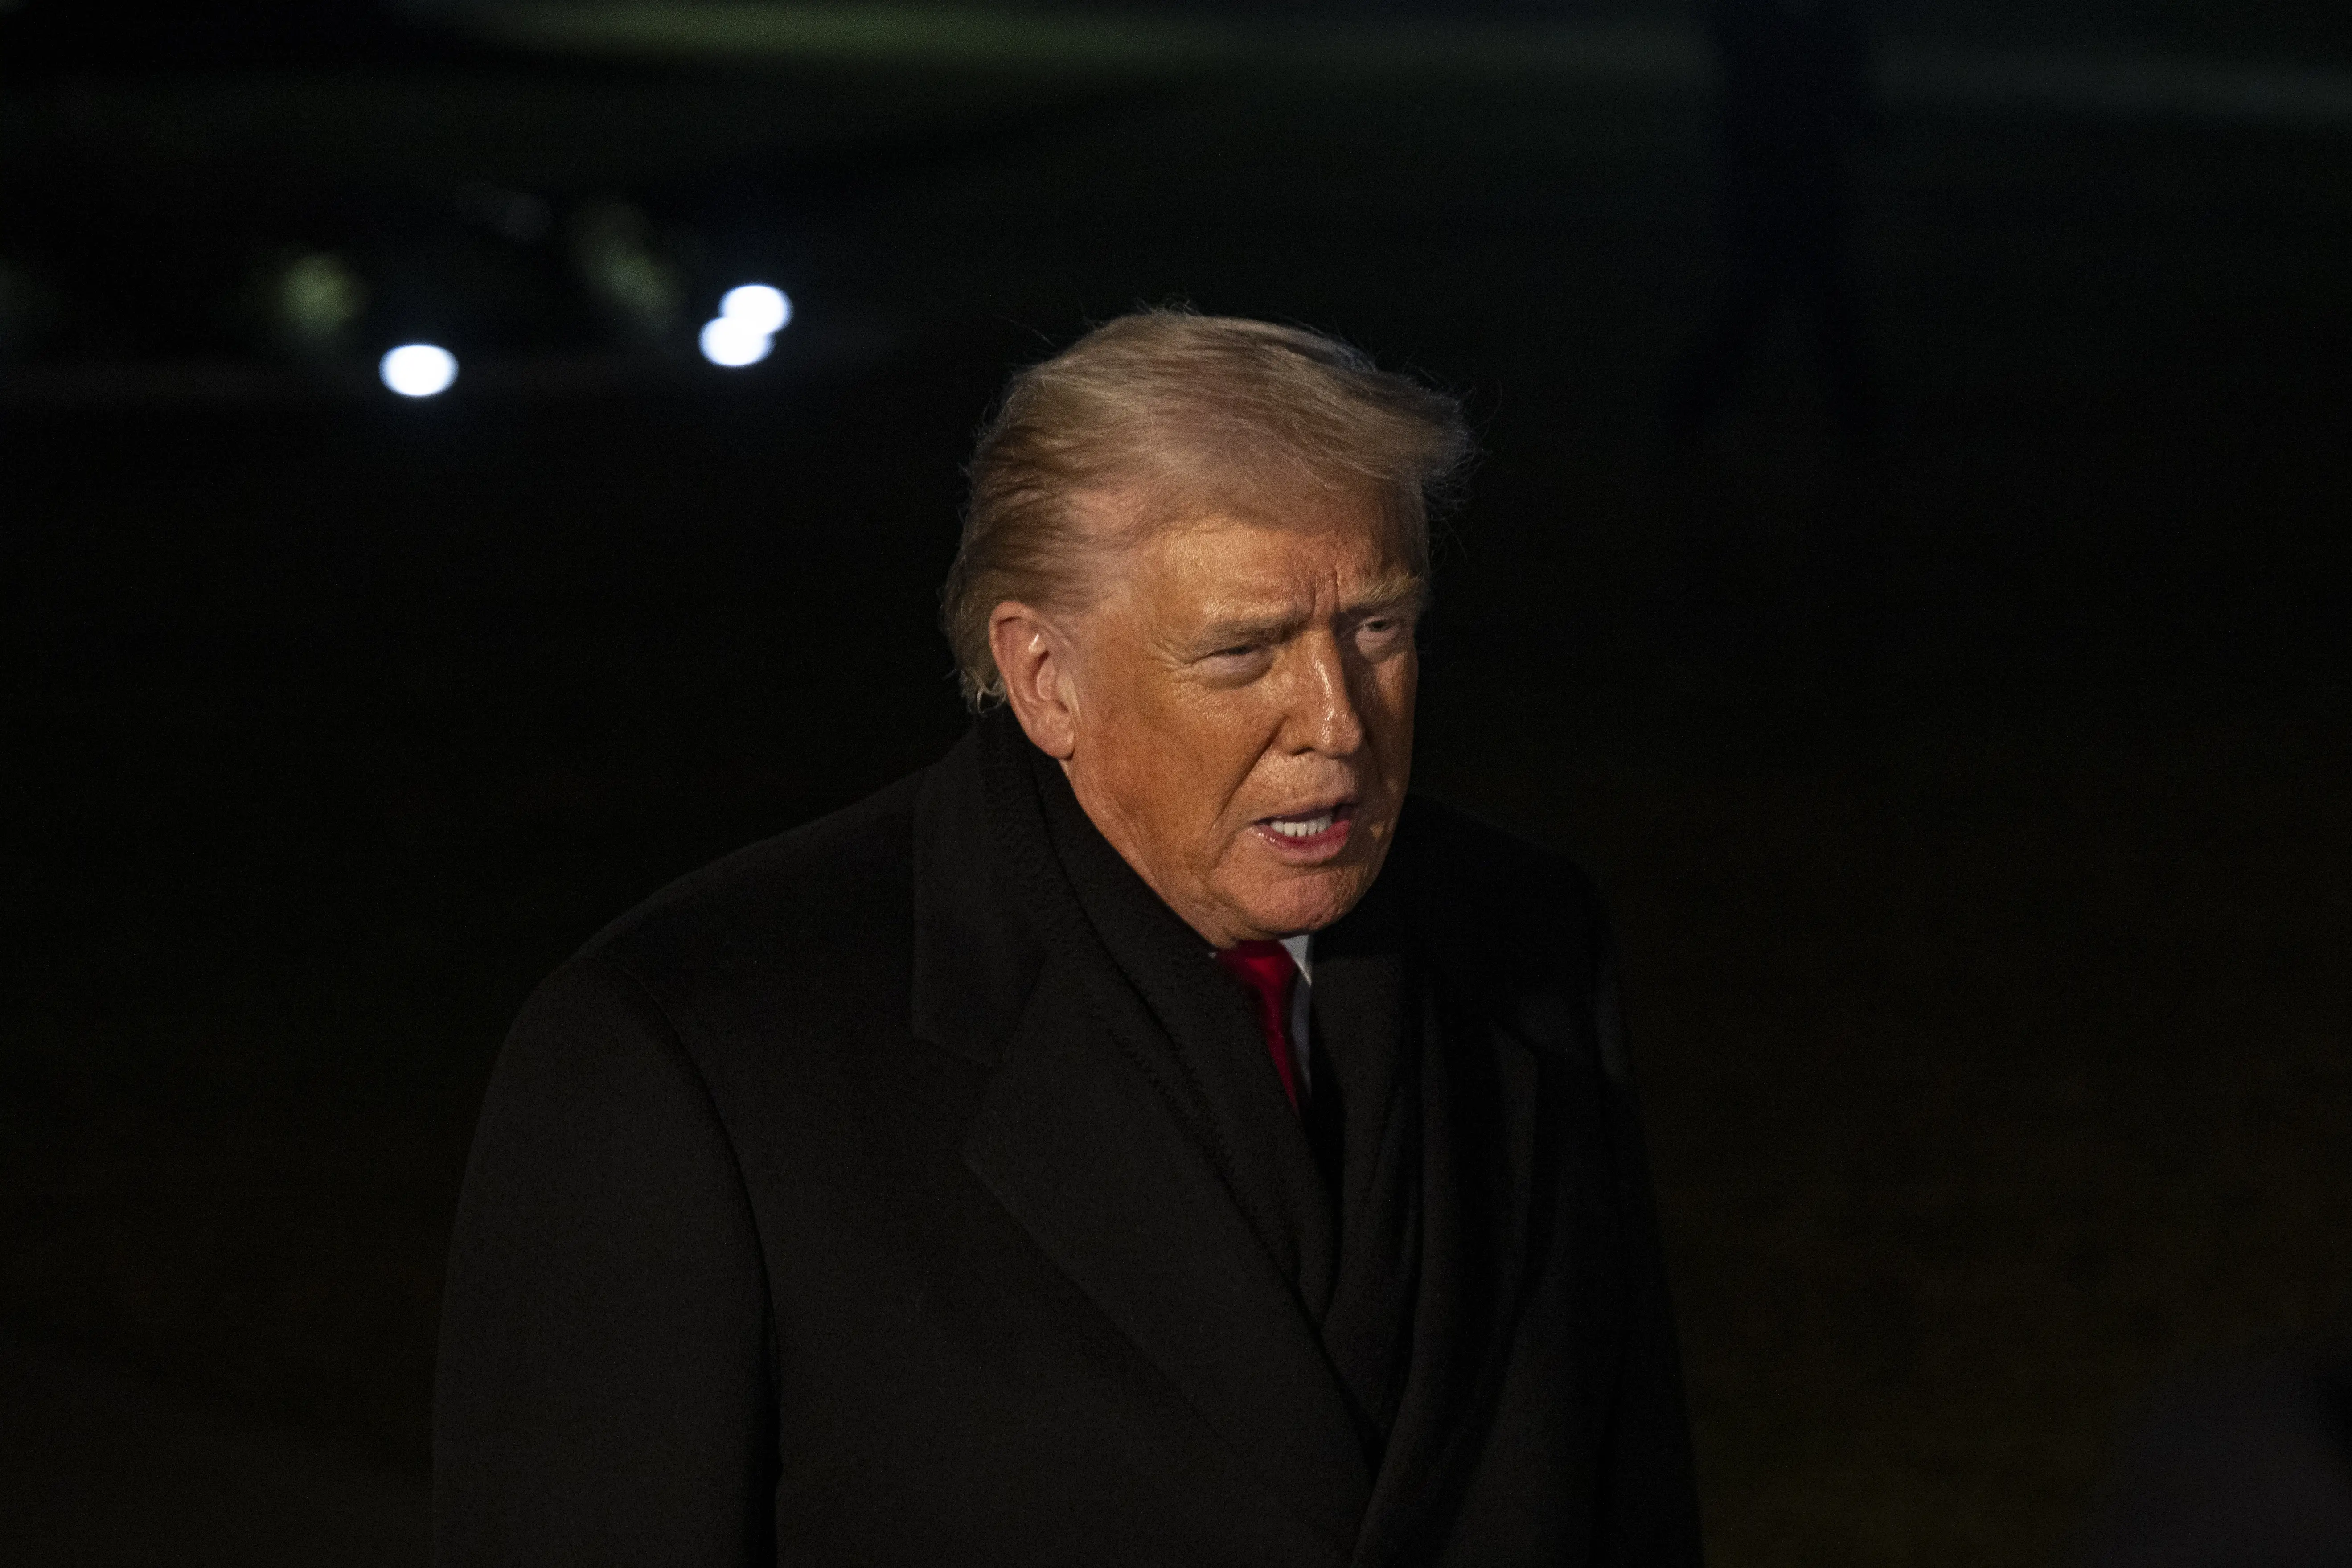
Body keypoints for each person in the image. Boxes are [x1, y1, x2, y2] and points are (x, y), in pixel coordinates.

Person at [433, 310, 1704, 1565]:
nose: (1336, 719)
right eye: (1242, 649)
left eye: (1377, 627)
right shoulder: (687, 1053)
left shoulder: (1528, 938)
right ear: (1044, 675)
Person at [1666, 0, 1880, 448]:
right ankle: (1858, 420)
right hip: (1797, 176)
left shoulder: (1758, 30)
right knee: (1809, 299)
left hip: (1769, 174)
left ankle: (1691, 414)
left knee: (1775, 297)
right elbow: (1847, 95)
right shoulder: (1813, 31)